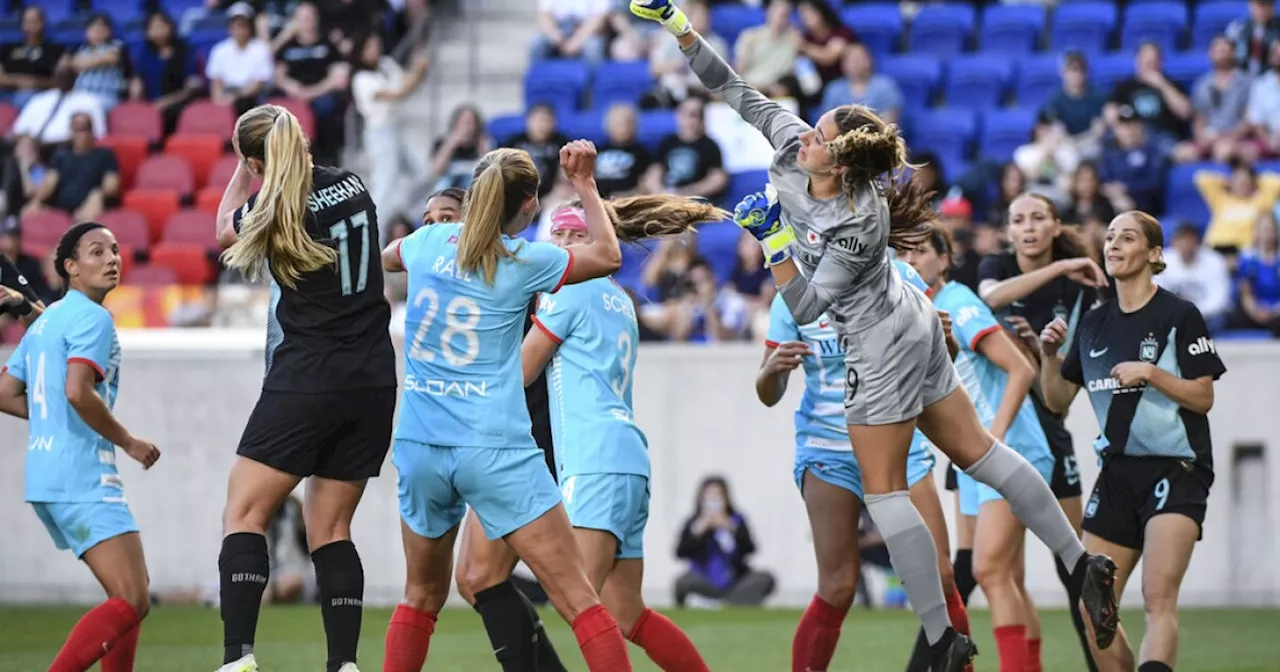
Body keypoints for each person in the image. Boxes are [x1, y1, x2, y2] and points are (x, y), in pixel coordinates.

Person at [630, 3, 1120, 669]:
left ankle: (944, 641)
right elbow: (735, 88)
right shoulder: (796, 143)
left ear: (838, 158)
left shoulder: (858, 224)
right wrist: (682, 29)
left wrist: (774, 241)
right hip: (913, 320)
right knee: (976, 450)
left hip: (884, 341)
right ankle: (1081, 560)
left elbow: (804, 308)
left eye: (820, 132)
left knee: (885, 490)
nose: (806, 133)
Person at [378, 142, 634, 671]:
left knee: (419, 598)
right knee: (581, 602)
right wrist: (585, 184)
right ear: (529, 206)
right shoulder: (523, 259)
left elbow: (374, 260)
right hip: (494, 447)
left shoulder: (425, 242)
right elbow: (609, 256)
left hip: (420, 443)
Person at [213, 104, 396, 672]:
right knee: (333, 527)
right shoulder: (352, 183)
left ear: (254, 158)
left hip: (309, 374)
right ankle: (344, 663)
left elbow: (223, 231)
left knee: (244, 513)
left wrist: (243, 174)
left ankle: (238, 657)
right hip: (374, 377)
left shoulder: (270, 207)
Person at [523, 203, 725, 670]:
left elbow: (522, 370)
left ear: (583, 242)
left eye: (564, 236)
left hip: (593, 458)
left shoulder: (568, 291)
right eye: (556, 236)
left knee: (581, 605)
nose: (557, 246)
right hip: (629, 457)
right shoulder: (619, 297)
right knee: (627, 614)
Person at [758, 255, 970, 672]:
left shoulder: (901, 274)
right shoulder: (792, 295)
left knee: (942, 577)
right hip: (828, 449)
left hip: (898, 440)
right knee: (837, 587)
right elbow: (768, 392)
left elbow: (946, 357)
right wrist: (772, 371)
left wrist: (947, 339)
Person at [1039, 211, 1226, 672]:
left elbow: (1204, 396)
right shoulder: (1094, 323)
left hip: (1176, 469)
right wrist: (1047, 357)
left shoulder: (1179, 315)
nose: (1114, 245)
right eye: (1109, 238)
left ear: (1155, 254)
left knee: (1157, 597)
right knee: (1092, 607)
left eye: (1127, 238)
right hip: (1117, 474)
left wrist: (1153, 373)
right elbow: (1058, 399)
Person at [0, 222, 161, 672]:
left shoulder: (47, 319)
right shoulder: (93, 318)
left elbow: (5, 392)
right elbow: (76, 391)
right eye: (96, 252)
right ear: (70, 268)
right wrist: (128, 441)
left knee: (130, 594)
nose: (112, 258)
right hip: (84, 473)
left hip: (47, 477)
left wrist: (51, 412)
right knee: (132, 598)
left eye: (114, 249)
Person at [905, 224, 1055, 672]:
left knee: (990, 572)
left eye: (920, 252)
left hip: (1004, 449)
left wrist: (997, 436)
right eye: (903, 253)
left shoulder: (957, 303)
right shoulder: (920, 309)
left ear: (944, 259)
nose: (910, 261)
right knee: (1006, 576)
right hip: (972, 457)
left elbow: (1022, 368)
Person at [976, 193, 1108, 670]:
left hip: (1048, 429)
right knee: (997, 570)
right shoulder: (996, 263)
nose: (1027, 227)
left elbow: (1062, 391)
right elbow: (991, 296)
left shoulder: (1078, 295)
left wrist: (1041, 352)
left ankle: (1099, 662)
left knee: (1072, 565)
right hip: (995, 431)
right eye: (1018, 220)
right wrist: (1063, 266)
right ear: (1008, 231)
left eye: (1037, 218)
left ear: (1055, 226)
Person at [673, 476, 776, 608]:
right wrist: (699, 530)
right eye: (709, 496)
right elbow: (680, 552)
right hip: (704, 578)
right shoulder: (693, 522)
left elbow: (749, 549)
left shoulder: (736, 520)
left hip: (734, 580)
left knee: (765, 578)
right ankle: (734, 602)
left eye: (718, 495)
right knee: (682, 582)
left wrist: (730, 528)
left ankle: (724, 602)